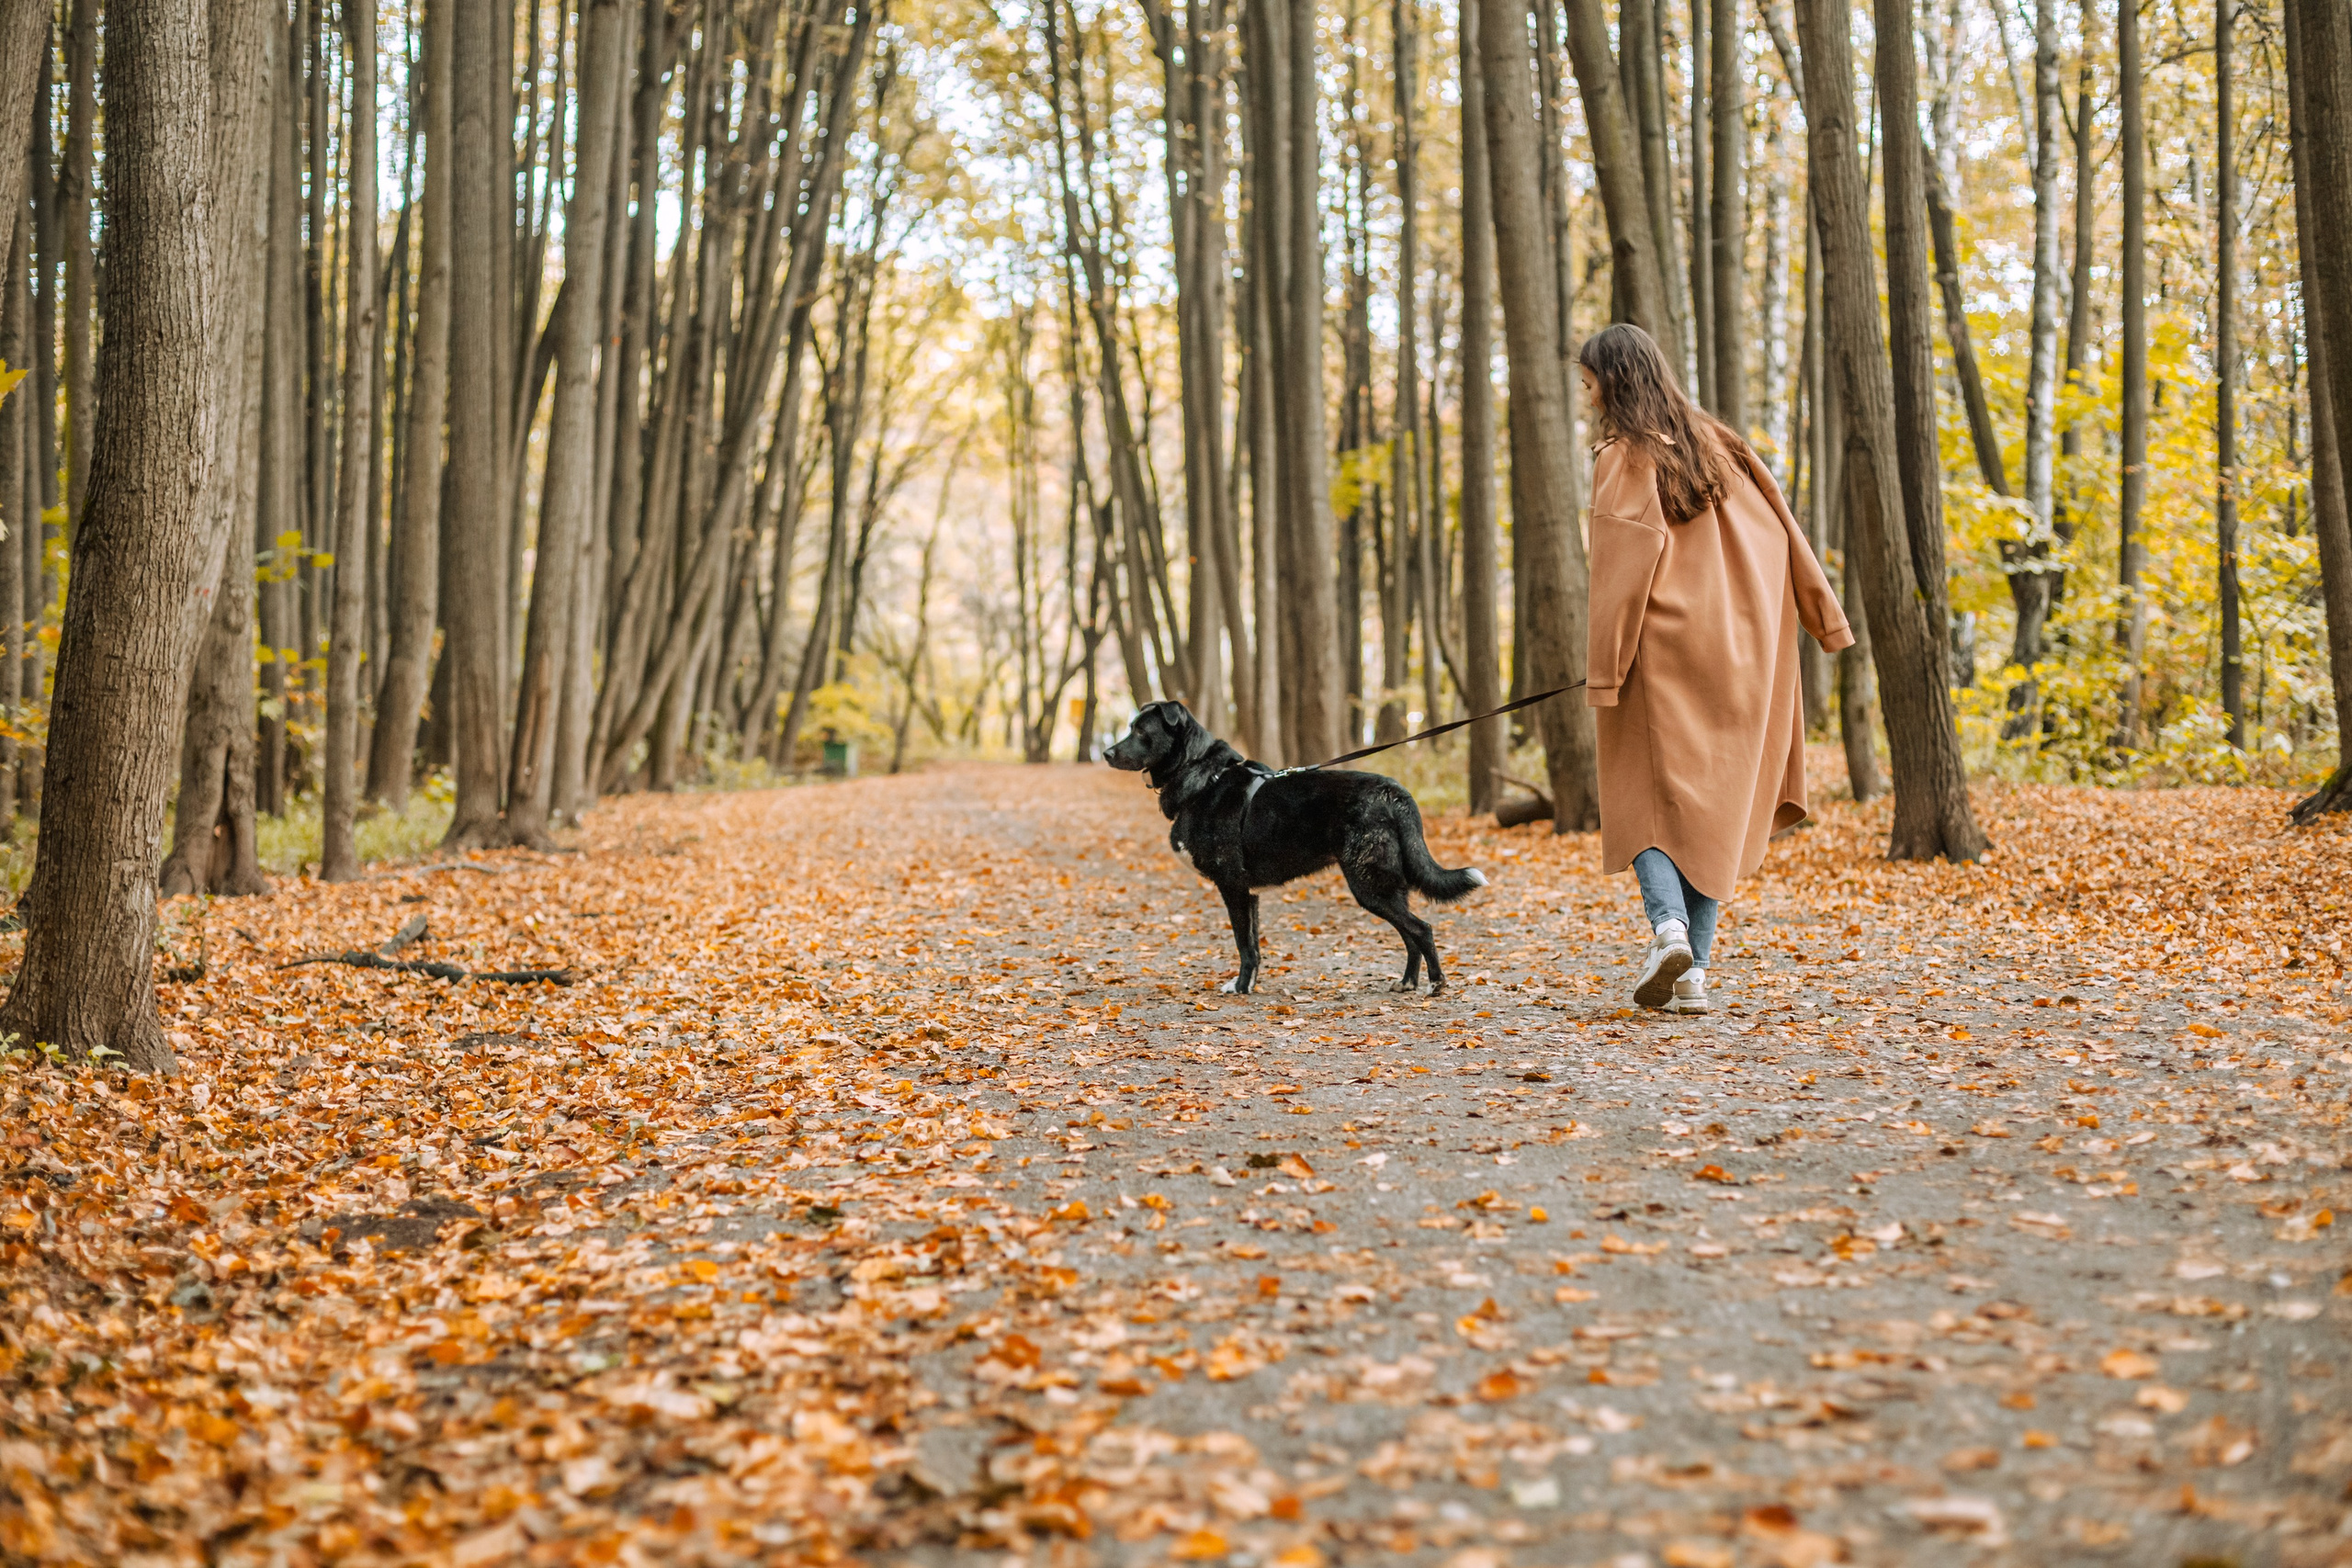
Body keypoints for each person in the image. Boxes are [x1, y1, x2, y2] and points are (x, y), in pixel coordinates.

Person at [1577, 323, 1855, 1014]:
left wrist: (1605, 668)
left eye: (1587, 383)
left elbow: (1621, 568)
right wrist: (1824, 619)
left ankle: (1669, 930)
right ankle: (1694, 975)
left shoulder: (1622, 455)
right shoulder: (1722, 444)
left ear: (1613, 381)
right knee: (1713, 815)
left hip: (1663, 649)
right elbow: (1787, 533)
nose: (1584, 397)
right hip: (1751, 651)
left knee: (1640, 800)